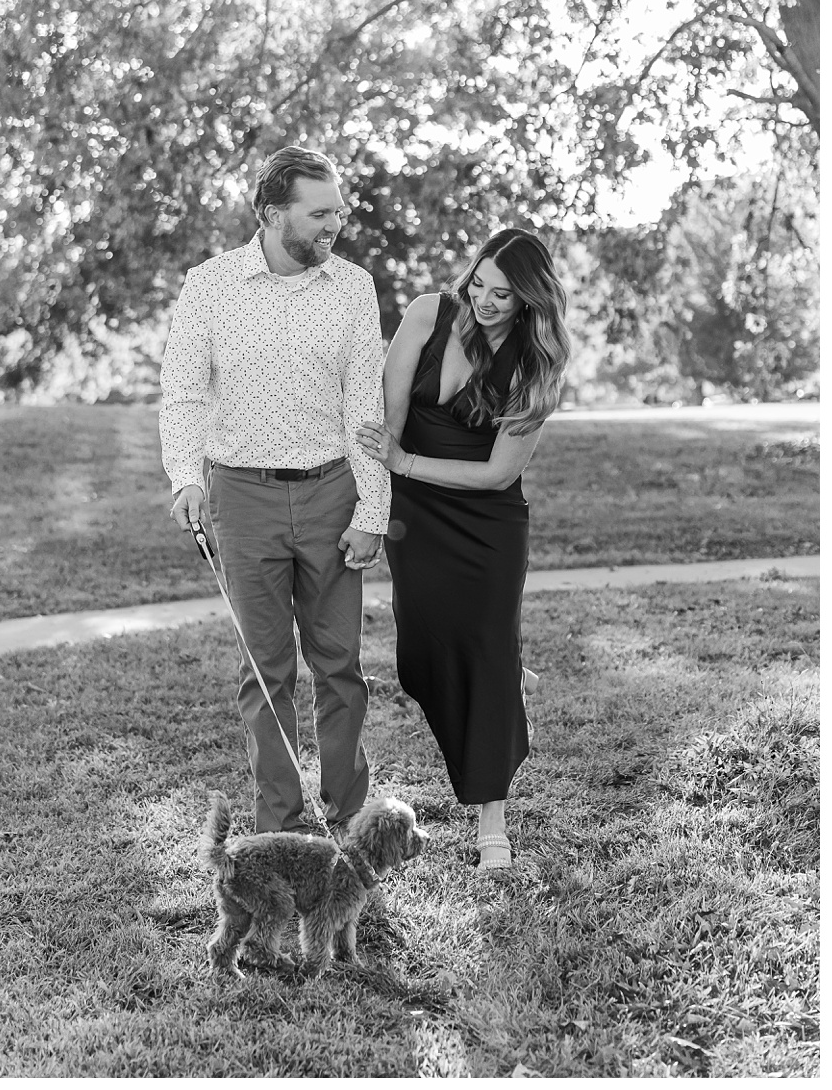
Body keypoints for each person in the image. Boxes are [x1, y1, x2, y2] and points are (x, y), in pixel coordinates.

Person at [160, 145, 391, 835]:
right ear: (270, 214)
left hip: (330, 494)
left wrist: (371, 510)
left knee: (339, 667)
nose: (335, 225)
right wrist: (184, 477)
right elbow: (182, 393)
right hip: (241, 496)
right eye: (320, 213)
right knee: (265, 674)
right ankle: (281, 826)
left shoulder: (353, 287)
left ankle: (348, 814)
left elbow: (366, 411)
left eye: (339, 212)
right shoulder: (210, 284)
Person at [357, 228, 571, 872]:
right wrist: (378, 496)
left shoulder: (536, 363)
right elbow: (384, 424)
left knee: (479, 654)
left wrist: (405, 462)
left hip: (487, 530)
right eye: (478, 283)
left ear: (530, 299)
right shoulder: (427, 315)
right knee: (419, 658)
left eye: (503, 294)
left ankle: (492, 822)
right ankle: (505, 676)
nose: (484, 300)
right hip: (417, 522)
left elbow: (496, 474)